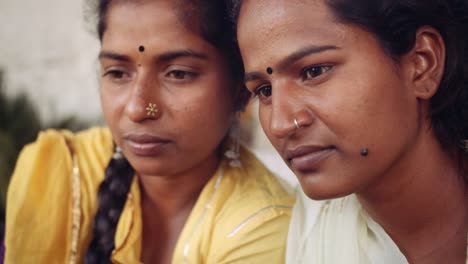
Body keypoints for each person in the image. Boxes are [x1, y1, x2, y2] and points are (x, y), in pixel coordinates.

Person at [4, 0, 294, 263]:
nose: (138, 108)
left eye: (178, 73)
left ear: (241, 90)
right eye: (117, 73)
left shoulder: (261, 227)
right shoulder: (62, 170)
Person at [228, 0, 468, 263]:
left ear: (422, 63)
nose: (280, 124)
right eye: (264, 91)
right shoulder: (309, 232)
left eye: (313, 72)